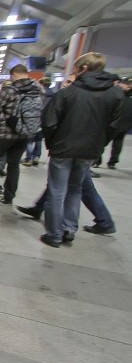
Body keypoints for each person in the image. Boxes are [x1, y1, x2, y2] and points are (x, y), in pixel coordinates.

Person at [38, 52, 125, 247]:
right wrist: (100, 145)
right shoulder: (116, 94)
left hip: (63, 148)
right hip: (90, 151)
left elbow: (49, 122)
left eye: (76, 68)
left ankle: (54, 235)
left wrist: (52, 144)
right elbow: (114, 126)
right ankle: (69, 229)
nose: (74, 72)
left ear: (84, 69)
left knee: (57, 191)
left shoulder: (68, 92)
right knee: (75, 190)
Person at [0, 64, 42, 203]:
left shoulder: (9, 90)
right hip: (24, 134)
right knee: (14, 164)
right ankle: (9, 197)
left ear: (13, 75)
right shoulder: (38, 89)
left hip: (5, 133)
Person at [15, 170, 116, 235]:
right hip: (84, 150)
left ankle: (104, 221)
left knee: (83, 187)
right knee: (59, 181)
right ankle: (38, 207)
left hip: (75, 149)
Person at [22, 76, 52, 166]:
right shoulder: (55, 94)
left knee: (30, 140)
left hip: (33, 119)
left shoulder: (36, 95)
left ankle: (29, 158)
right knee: (39, 140)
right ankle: (37, 157)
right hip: (44, 120)